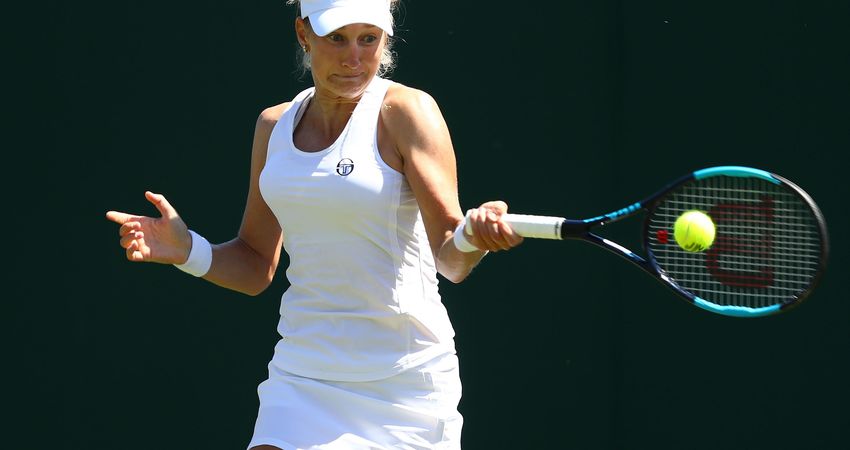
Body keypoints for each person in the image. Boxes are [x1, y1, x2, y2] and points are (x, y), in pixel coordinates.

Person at [105, 0, 523, 448]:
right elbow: (255, 264)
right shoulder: (273, 126)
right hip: (303, 374)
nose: (353, 58)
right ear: (304, 34)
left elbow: (451, 260)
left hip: (403, 383)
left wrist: (472, 236)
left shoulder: (407, 112)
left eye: (368, 39)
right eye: (337, 38)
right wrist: (189, 250)